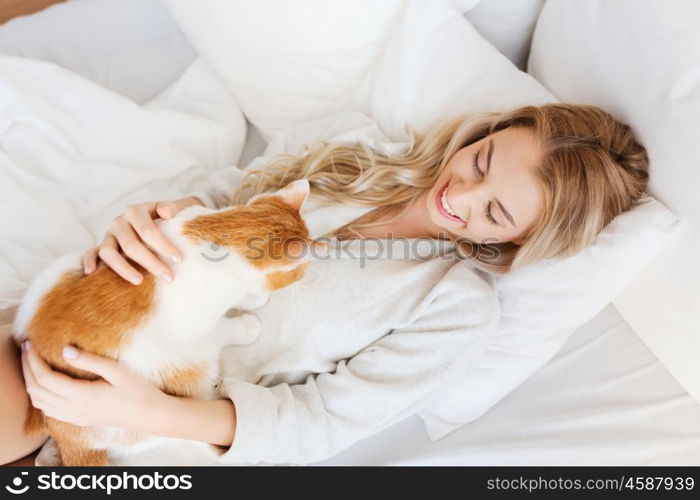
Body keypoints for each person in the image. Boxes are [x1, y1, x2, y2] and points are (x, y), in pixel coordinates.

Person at [4, 104, 649, 465]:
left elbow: (318, 425)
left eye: (497, 214)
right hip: (92, 314)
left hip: (155, 419)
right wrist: (152, 219)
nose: (463, 196)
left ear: (518, 242)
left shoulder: (452, 308)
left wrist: (143, 412)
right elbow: (225, 199)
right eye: (480, 163)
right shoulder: (351, 151)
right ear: (486, 134)